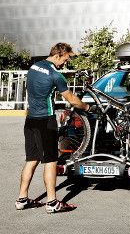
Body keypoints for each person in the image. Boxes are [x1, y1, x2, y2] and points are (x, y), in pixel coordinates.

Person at [15, 43, 91, 213]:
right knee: (51, 161)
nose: (66, 63)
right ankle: (52, 202)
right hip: (45, 121)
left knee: (31, 159)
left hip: (30, 120)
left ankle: (22, 199)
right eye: (65, 59)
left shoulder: (33, 67)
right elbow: (72, 100)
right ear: (58, 55)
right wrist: (86, 108)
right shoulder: (56, 75)